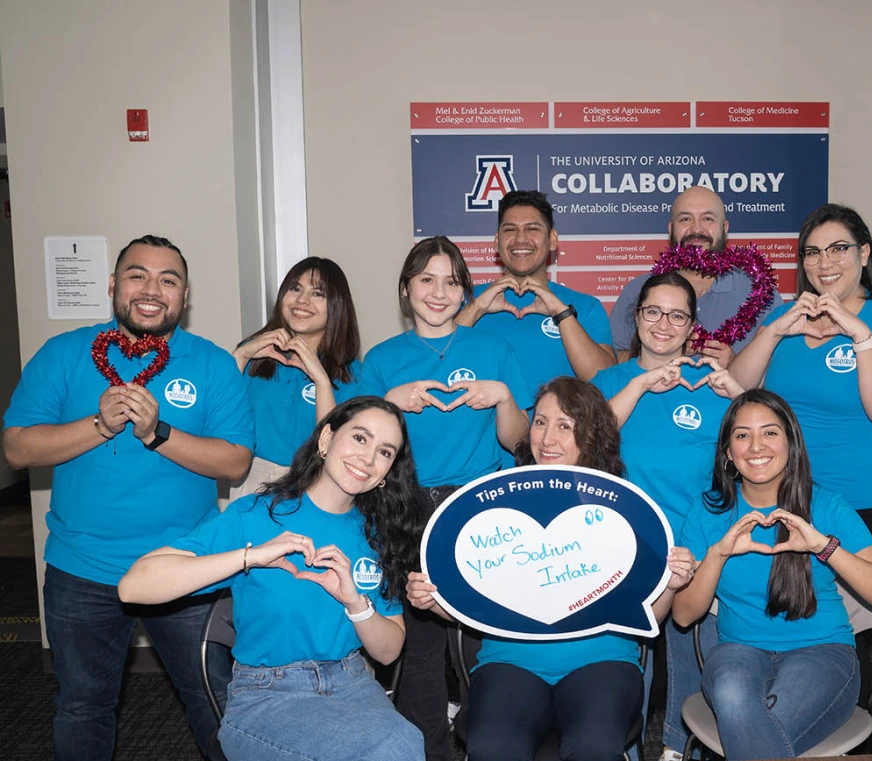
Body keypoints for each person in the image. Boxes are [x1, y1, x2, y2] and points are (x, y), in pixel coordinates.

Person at [2, 235, 254, 761]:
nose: (152, 290)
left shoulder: (211, 364)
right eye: (138, 275)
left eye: (169, 280)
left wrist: (156, 432)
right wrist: (100, 424)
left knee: (216, 700)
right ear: (114, 286)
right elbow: (18, 447)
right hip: (82, 568)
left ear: (184, 296)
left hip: (187, 565)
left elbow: (234, 462)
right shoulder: (65, 354)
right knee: (83, 705)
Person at [118, 396, 426, 761]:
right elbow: (133, 586)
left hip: (353, 685)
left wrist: (355, 603)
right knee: (388, 750)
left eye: (385, 452)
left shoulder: (379, 534)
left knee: (402, 742)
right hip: (267, 695)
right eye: (360, 438)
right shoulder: (259, 516)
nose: (369, 458)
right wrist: (250, 557)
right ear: (325, 441)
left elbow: (389, 651)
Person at [406, 376, 695, 761]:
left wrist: (672, 585)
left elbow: (647, 618)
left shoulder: (628, 511)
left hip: (603, 661)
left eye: (565, 426)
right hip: (510, 661)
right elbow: (473, 607)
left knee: (593, 747)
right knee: (492, 748)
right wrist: (433, 600)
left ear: (591, 435)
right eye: (540, 422)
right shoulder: (495, 503)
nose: (547, 439)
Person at [361, 235, 530, 761]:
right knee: (420, 644)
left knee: (485, 641)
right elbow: (354, 439)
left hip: (478, 507)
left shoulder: (494, 349)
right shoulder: (384, 358)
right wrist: (387, 402)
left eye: (452, 281)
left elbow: (517, 438)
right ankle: (428, 751)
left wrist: (501, 396)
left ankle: (491, 744)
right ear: (406, 290)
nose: (439, 292)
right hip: (404, 508)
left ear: (465, 291)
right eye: (426, 280)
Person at [673, 389, 872, 761]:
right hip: (738, 649)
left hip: (823, 651)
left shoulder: (826, 505)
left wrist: (823, 547)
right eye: (742, 435)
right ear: (728, 454)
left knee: (758, 725)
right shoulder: (708, 511)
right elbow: (684, 615)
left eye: (769, 432)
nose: (755, 446)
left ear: (791, 444)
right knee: (736, 700)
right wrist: (718, 554)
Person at [591, 272, 745, 761]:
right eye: (653, 311)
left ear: (691, 325)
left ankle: (681, 750)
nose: (664, 324)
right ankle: (627, 750)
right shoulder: (610, 382)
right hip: (624, 550)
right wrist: (639, 385)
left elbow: (764, 448)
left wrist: (738, 394)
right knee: (624, 665)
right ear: (636, 318)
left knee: (693, 659)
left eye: (677, 315)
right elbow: (588, 445)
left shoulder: (710, 385)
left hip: (697, 547)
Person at [729, 204, 872, 557]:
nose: (825, 263)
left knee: (859, 610)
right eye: (813, 253)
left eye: (838, 249)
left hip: (866, 499)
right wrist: (772, 333)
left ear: (864, 253)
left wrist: (861, 335)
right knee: (793, 605)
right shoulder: (784, 317)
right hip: (788, 497)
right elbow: (734, 392)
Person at [456, 190, 616, 403]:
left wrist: (562, 314)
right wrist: (476, 309)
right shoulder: (463, 299)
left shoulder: (585, 306)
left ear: (552, 240)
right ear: (496, 242)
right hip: (484, 436)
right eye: (510, 230)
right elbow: (434, 362)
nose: (520, 239)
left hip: (559, 435)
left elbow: (605, 382)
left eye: (532, 229)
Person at [231, 256, 363, 496]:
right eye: (295, 288)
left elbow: (333, 447)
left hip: (313, 481)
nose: (302, 300)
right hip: (251, 479)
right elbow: (217, 418)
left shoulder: (349, 371)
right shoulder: (254, 351)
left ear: (336, 305)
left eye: (317, 294)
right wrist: (240, 356)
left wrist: (321, 380)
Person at [610, 186, 784, 365]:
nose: (697, 229)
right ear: (671, 229)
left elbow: (783, 366)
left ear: (724, 228)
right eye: (685, 219)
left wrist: (738, 365)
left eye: (708, 219)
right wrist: (660, 353)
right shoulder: (638, 289)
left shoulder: (761, 293)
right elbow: (612, 361)